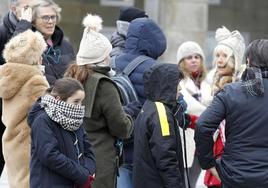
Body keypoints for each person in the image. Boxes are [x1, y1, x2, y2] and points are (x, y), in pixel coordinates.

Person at [64, 14, 138, 188]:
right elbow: (121, 127)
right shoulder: (104, 84)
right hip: (100, 159)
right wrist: (130, 113)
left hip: (73, 155)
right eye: (107, 54)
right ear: (102, 57)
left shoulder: (70, 79)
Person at [194, 39, 268, 188]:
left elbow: (202, 126)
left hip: (235, 175)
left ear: (248, 60)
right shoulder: (231, 92)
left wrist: (208, 163)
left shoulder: (231, 92)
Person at [112, 17, 166, 188]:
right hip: (144, 151)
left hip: (113, 147)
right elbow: (173, 110)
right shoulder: (157, 69)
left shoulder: (111, 63)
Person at [0, 29, 49, 187]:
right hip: (30, 143)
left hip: (11, 140)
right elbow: (48, 114)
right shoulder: (35, 81)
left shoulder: (8, 78)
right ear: (34, 58)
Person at [27, 78, 96, 188]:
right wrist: (81, 175)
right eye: (76, 101)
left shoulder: (75, 119)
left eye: (81, 102)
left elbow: (87, 149)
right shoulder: (42, 120)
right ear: (58, 99)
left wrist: (88, 171)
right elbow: (50, 155)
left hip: (74, 181)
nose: (79, 106)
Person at [203, 26, 246, 188]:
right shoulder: (215, 82)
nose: (219, 60)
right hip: (217, 148)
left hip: (233, 151)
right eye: (217, 55)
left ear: (234, 59)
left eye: (224, 56)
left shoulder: (242, 85)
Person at [133, 63, 186, 188]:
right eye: (177, 83)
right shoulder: (161, 112)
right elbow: (166, 157)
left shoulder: (149, 105)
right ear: (167, 84)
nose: (180, 88)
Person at [0, 0, 32, 174]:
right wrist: (24, 26)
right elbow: (11, 60)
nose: (30, 12)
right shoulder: (3, 31)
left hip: (23, 111)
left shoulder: (33, 30)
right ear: (13, 9)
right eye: (26, 8)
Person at [13, 0, 75, 85]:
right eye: (45, 17)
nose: (50, 21)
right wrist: (24, 25)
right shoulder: (29, 44)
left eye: (53, 17)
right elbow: (15, 53)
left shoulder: (66, 45)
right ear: (33, 22)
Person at [176, 41, 212, 187]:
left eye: (197, 56)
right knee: (184, 181)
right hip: (187, 138)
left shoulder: (208, 83)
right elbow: (190, 107)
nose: (193, 60)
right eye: (189, 57)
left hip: (203, 140)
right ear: (181, 62)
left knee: (196, 181)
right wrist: (208, 111)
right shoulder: (179, 83)